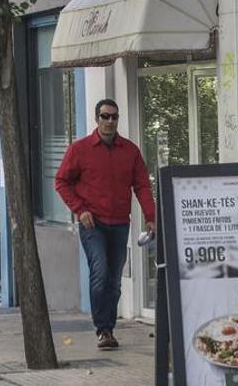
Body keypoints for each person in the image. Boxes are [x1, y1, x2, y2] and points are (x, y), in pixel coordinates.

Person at [55, 99, 155, 350]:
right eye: (105, 116)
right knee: (100, 272)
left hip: (120, 222)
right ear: (97, 119)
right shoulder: (80, 149)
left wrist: (151, 216)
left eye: (114, 117)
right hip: (93, 224)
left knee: (114, 280)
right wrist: (80, 210)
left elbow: (142, 185)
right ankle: (103, 329)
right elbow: (61, 182)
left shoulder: (130, 151)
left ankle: (109, 327)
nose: (110, 121)